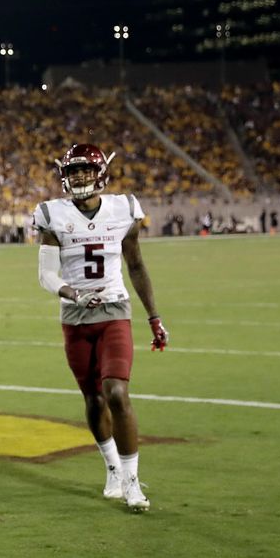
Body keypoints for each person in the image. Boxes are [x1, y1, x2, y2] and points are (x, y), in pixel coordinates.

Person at [33, 143, 169, 513]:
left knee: (116, 393)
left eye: (85, 170)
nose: (79, 177)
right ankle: (111, 467)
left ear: (100, 173)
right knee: (93, 398)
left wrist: (153, 316)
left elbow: (137, 266)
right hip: (75, 316)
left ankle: (131, 480)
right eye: (73, 170)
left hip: (113, 309)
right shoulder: (51, 214)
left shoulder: (122, 208)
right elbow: (45, 274)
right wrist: (71, 292)